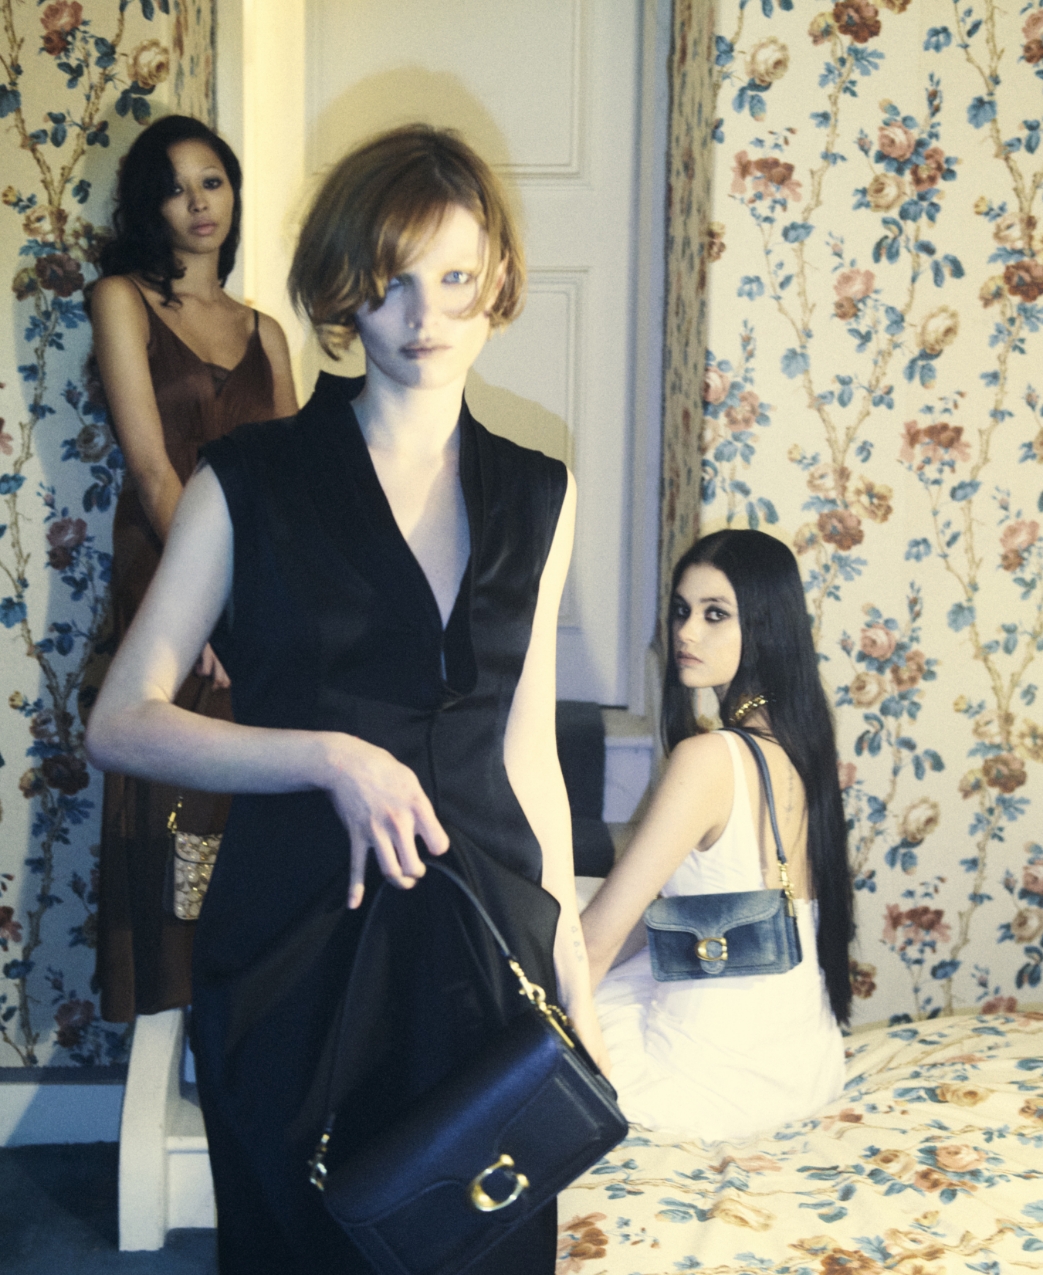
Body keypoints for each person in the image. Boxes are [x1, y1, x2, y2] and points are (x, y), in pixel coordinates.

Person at [86, 124, 604, 1274]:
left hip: (482, 939)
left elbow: (523, 744)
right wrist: (330, 757)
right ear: (341, 292)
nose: (424, 318)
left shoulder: (541, 491)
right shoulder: (251, 478)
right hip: (299, 937)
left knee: (481, 1240)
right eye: (390, 282)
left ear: (497, 283)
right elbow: (121, 720)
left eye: (454, 279)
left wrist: (567, 949)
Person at [89, 114, 298, 1022]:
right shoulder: (122, 300)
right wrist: (208, 606)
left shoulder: (266, 332)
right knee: (174, 792)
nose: (198, 202)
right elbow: (151, 469)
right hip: (168, 576)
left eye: (211, 180)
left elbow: (293, 485)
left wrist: (274, 606)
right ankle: (168, 1024)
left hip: (258, 590)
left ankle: (250, 1019)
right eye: (174, 188)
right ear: (152, 207)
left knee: (254, 800)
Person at [581, 529, 853, 1143]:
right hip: (805, 1070)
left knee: (560, 956)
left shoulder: (709, 759)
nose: (686, 633)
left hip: (710, 1086)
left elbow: (597, 943)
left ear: (764, 626)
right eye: (682, 610)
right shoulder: (803, 740)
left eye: (714, 614)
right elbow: (668, 909)